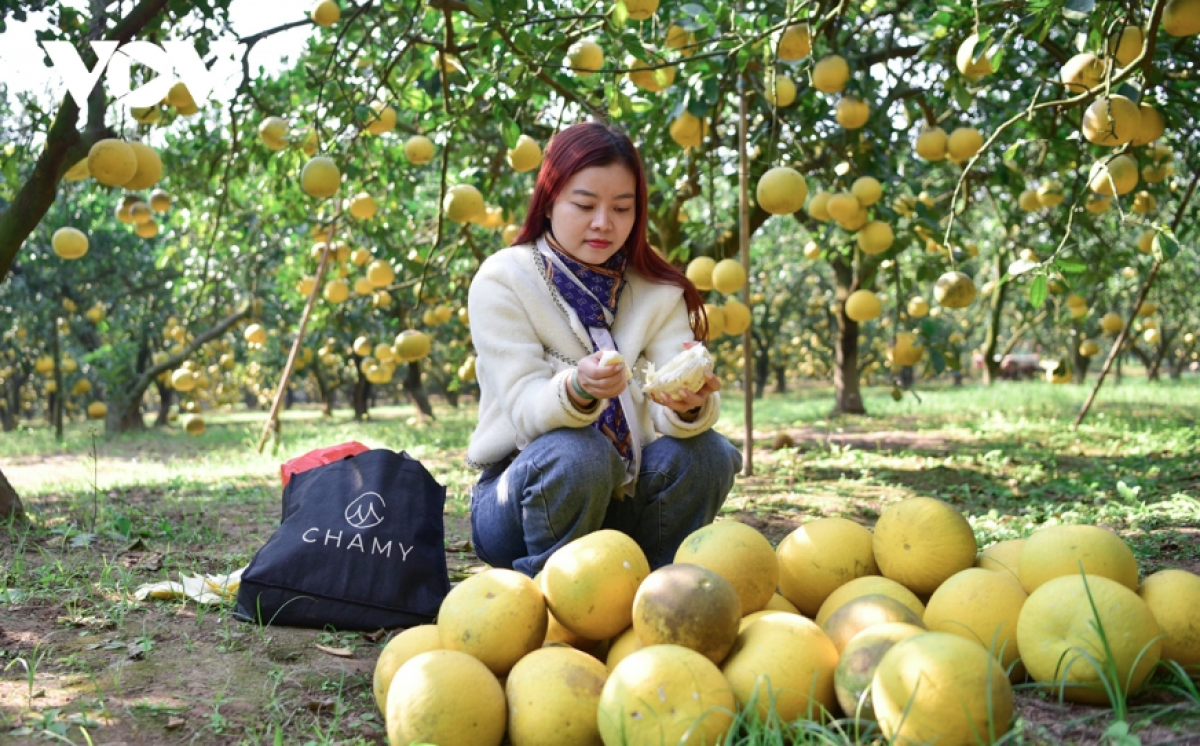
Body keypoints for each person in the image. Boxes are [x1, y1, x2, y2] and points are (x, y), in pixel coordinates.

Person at [465, 120, 742, 578]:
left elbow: (667, 406)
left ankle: (656, 589)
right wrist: (576, 388)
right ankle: (551, 599)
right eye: (585, 204)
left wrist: (688, 407)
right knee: (579, 453)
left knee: (709, 451)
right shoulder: (504, 280)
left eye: (622, 208)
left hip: (624, 496)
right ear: (550, 200)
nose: (603, 223)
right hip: (522, 497)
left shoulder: (656, 290)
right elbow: (523, 407)